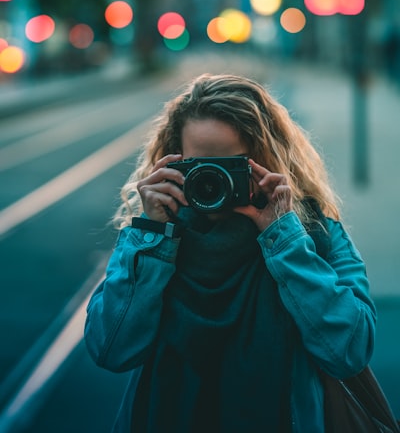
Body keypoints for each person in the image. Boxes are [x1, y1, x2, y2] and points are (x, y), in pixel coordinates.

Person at [84, 73, 376, 433]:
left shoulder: (314, 233)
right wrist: (153, 234)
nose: (213, 182)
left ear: (265, 161)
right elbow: (111, 349)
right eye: (200, 167)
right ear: (173, 162)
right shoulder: (157, 236)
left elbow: (350, 351)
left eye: (230, 167)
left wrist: (283, 238)